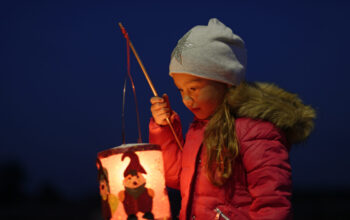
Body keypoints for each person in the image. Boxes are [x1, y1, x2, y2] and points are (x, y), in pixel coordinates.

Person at [149, 18, 315, 220]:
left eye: (193, 88)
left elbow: (271, 201)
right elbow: (176, 176)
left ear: (225, 82)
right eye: (181, 90)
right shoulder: (198, 130)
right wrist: (164, 128)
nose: (186, 99)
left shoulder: (255, 131)